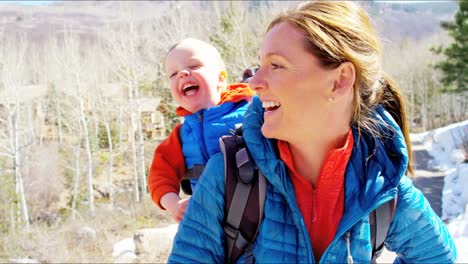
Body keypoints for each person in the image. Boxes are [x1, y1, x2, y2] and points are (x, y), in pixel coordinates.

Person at [168, 1, 457, 263]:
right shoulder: (230, 174)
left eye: (276, 65)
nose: (254, 82)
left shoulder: (382, 186)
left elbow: (437, 257)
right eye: (259, 65)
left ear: (339, 81)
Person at [147, 38, 255, 222]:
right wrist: (175, 204)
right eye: (173, 74)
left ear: (221, 79)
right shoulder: (181, 137)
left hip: (261, 213)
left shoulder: (251, 111)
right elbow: (159, 175)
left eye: (194, 65)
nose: (182, 73)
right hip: (210, 220)